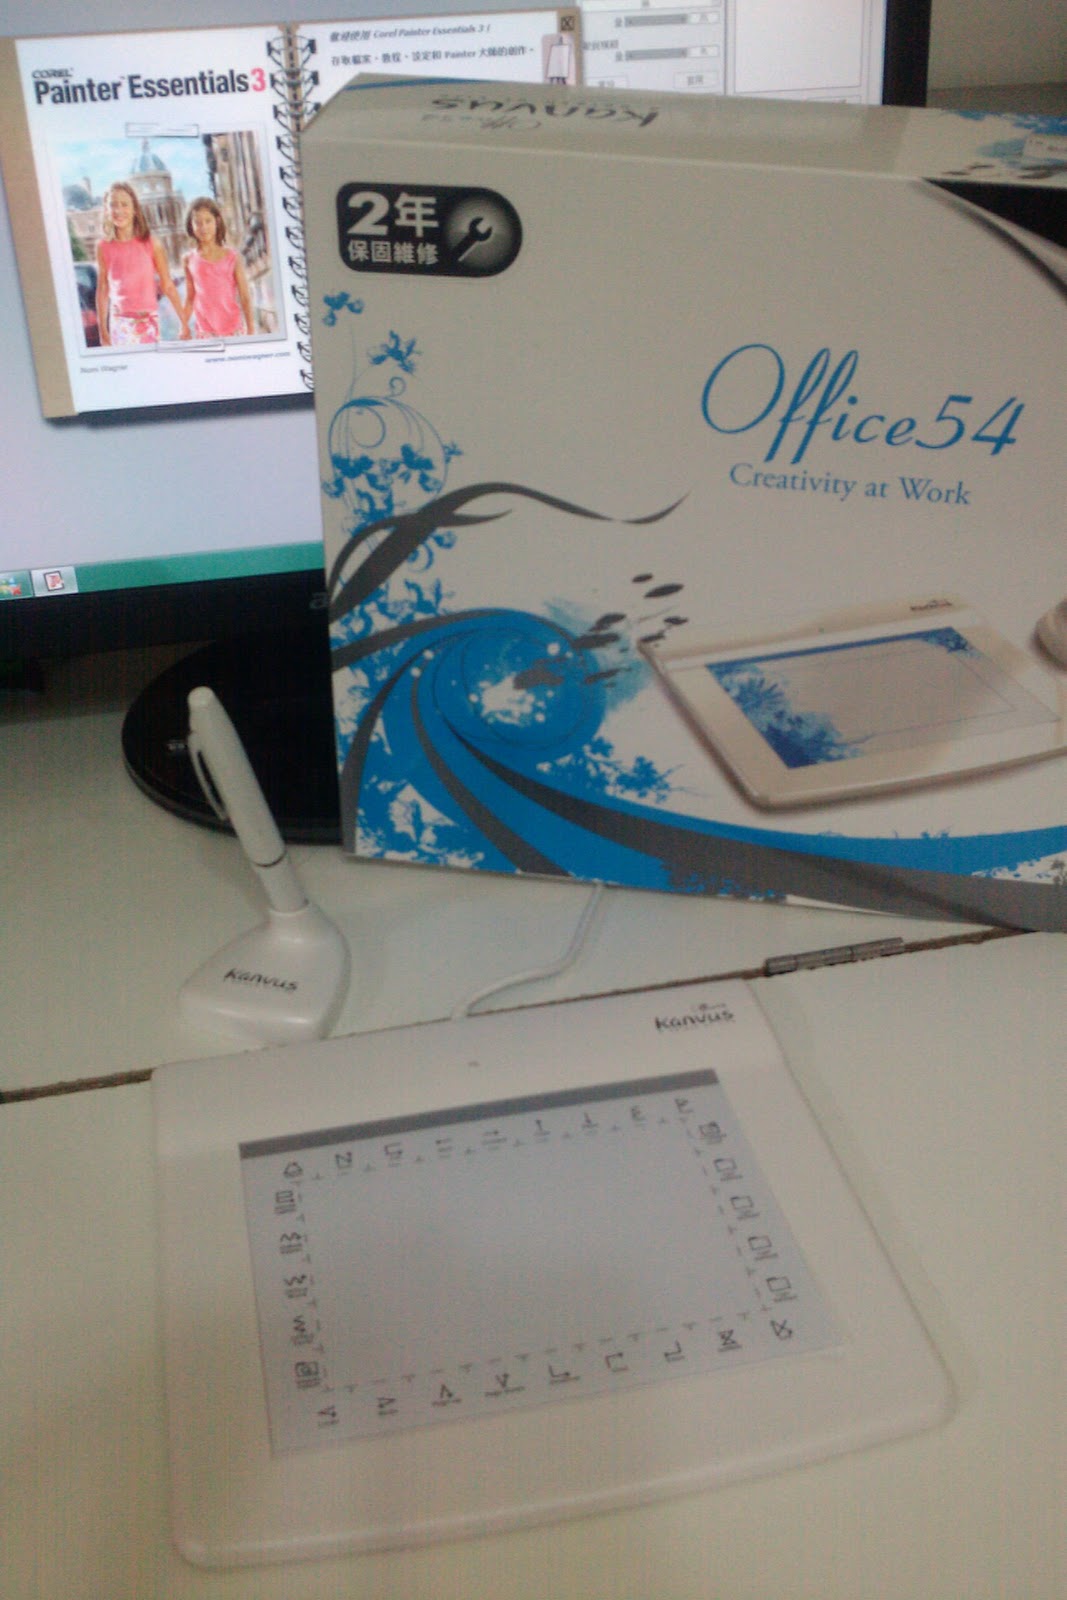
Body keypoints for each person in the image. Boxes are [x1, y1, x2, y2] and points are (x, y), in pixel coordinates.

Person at [95, 181, 185, 346]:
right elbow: (103, 289)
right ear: (107, 210)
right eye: (113, 205)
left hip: (149, 323)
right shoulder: (103, 247)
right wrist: (103, 331)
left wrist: (184, 322)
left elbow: (168, 285)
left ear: (135, 209)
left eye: (124, 205)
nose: (119, 211)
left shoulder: (151, 243)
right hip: (120, 324)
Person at [181, 197, 254, 339]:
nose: (203, 227)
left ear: (217, 221)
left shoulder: (233, 257)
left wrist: (251, 329)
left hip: (233, 329)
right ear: (191, 226)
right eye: (197, 223)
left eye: (208, 221)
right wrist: (183, 326)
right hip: (205, 332)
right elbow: (190, 298)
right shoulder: (188, 259)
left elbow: (244, 296)